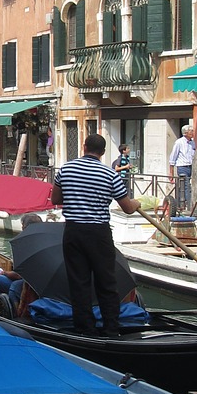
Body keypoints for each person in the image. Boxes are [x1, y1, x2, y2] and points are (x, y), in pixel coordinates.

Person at [50, 132, 139, 336]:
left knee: (78, 282)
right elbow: (127, 208)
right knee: (106, 282)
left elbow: (55, 198)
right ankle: (111, 329)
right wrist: (137, 203)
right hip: (98, 233)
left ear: (84, 147)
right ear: (103, 152)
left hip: (74, 231)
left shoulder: (66, 169)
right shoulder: (109, 174)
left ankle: (85, 329)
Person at [168, 124, 196, 213]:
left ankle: (182, 204)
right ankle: (188, 205)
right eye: (191, 131)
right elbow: (173, 157)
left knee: (186, 186)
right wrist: (171, 173)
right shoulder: (179, 142)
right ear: (186, 133)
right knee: (186, 186)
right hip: (182, 167)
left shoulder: (192, 142)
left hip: (190, 166)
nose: (193, 133)